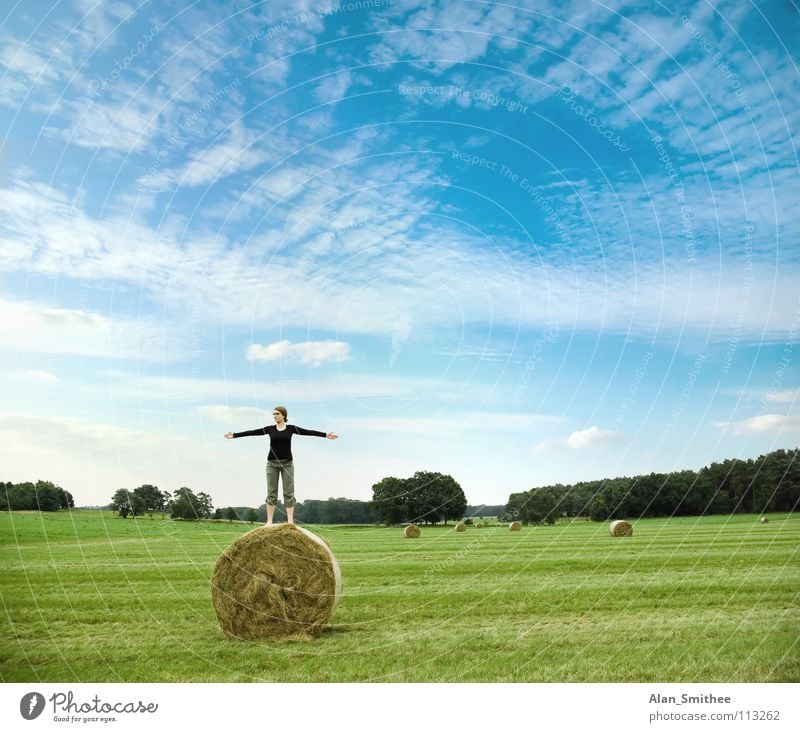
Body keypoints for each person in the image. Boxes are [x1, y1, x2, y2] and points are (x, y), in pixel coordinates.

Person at [225, 406, 337, 526]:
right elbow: (253, 432)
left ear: (284, 415)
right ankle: (269, 522)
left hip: (287, 464)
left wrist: (325, 435)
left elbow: (308, 432)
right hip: (271, 464)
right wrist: (235, 435)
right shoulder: (270, 429)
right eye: (273, 414)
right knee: (271, 493)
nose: (275, 416)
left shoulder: (291, 429)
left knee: (289, 493)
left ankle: (289, 522)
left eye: (277, 414)